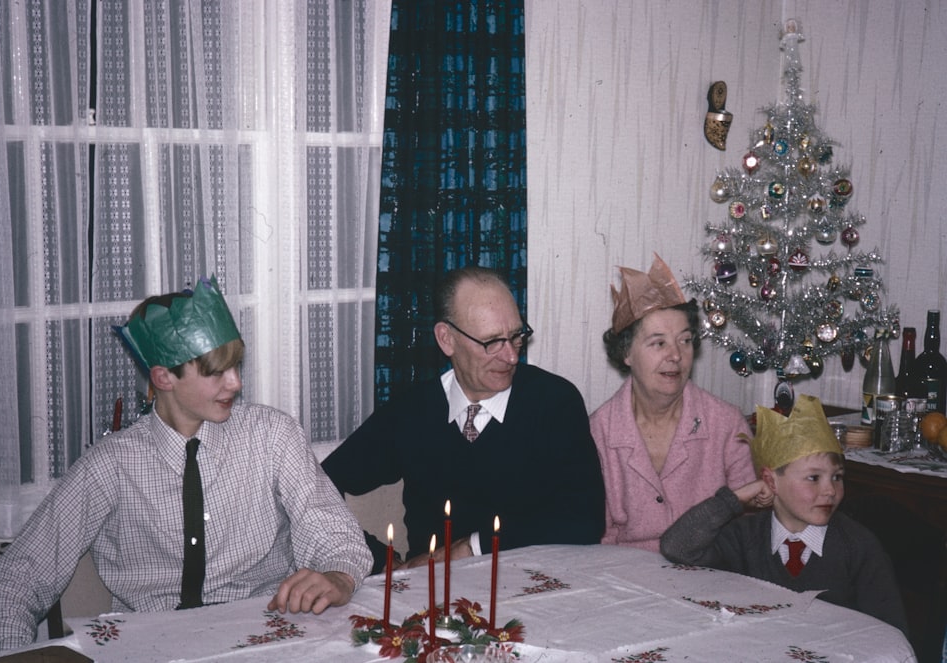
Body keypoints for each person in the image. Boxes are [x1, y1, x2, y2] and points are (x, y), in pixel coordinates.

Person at [0, 276, 372, 652]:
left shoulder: (273, 435)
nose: (235, 383)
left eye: (237, 366)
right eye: (216, 371)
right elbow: (17, 579)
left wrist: (338, 575)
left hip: (264, 639)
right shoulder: (111, 465)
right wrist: (13, 653)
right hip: (151, 647)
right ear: (164, 377)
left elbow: (335, 535)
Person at [322, 266, 605, 572]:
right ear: (447, 340)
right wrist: (380, 561)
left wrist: (473, 547)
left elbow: (585, 521)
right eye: (492, 342)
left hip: (537, 585)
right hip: (435, 594)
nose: (511, 356)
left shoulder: (555, 402)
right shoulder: (413, 411)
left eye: (516, 336)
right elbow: (318, 485)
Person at [660, 394, 908, 634]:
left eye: (837, 477)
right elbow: (677, 546)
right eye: (813, 478)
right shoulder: (746, 536)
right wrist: (734, 499)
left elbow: (890, 632)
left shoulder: (857, 547)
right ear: (770, 480)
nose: (830, 490)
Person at [590, 253, 757, 552]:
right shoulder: (598, 430)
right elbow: (597, 537)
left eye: (685, 340)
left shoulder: (727, 424)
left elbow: (747, 528)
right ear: (626, 353)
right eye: (658, 343)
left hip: (710, 571)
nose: (676, 356)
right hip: (625, 575)